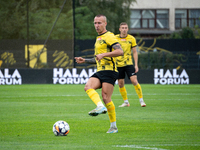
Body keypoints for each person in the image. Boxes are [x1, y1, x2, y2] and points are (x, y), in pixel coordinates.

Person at [75, 14, 123, 133]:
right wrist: (85, 60)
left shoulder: (109, 36)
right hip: (100, 70)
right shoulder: (98, 38)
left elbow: (120, 51)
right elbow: (98, 58)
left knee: (106, 98)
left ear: (105, 24)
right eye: (95, 23)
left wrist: (104, 55)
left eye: (99, 23)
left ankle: (113, 127)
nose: (97, 25)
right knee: (88, 87)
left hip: (110, 71)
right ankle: (100, 106)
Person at [115, 22, 146, 107]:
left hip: (128, 63)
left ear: (127, 29)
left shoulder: (131, 38)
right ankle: (126, 102)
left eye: (125, 28)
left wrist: (136, 65)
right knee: (121, 84)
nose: (124, 29)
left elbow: (135, 52)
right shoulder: (115, 38)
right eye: (122, 28)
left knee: (134, 81)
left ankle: (141, 101)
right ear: (119, 29)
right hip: (118, 64)